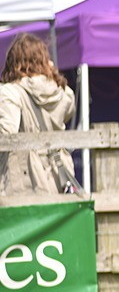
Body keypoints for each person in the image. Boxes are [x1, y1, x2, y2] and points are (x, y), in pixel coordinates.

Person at [0, 34, 76, 196]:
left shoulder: (11, 92)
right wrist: (51, 74)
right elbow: (69, 110)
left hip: (22, 185)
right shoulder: (60, 91)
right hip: (57, 181)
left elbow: (6, 133)